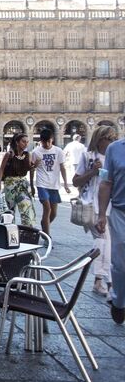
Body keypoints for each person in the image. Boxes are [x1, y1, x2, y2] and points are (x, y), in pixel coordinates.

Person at [75, 126, 117, 297]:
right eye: (109, 138)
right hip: (91, 205)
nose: (112, 141)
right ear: (100, 139)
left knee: (107, 243)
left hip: (110, 207)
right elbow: (76, 181)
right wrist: (93, 171)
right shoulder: (88, 156)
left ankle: (102, 281)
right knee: (103, 240)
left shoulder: (114, 157)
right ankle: (104, 282)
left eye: (115, 138)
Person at [97, 130, 125, 324]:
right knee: (121, 263)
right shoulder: (115, 149)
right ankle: (119, 301)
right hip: (121, 212)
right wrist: (101, 214)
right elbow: (106, 183)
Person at [31, 128, 71, 237]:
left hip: (54, 185)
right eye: (45, 142)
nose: (47, 144)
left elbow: (62, 167)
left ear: (52, 139)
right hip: (41, 184)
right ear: (41, 141)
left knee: (54, 213)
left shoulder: (58, 151)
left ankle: (44, 226)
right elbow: (32, 169)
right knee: (47, 209)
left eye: (49, 141)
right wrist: (32, 185)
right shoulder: (36, 152)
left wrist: (66, 184)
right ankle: (47, 237)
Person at [0, 133, 37, 226]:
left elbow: (31, 169)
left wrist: (32, 186)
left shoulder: (27, 155)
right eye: (23, 142)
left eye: (27, 142)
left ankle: (27, 231)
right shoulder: (9, 154)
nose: (25, 144)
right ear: (17, 142)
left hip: (23, 184)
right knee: (10, 210)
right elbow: (1, 169)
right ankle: (9, 231)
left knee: (27, 206)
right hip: (10, 184)